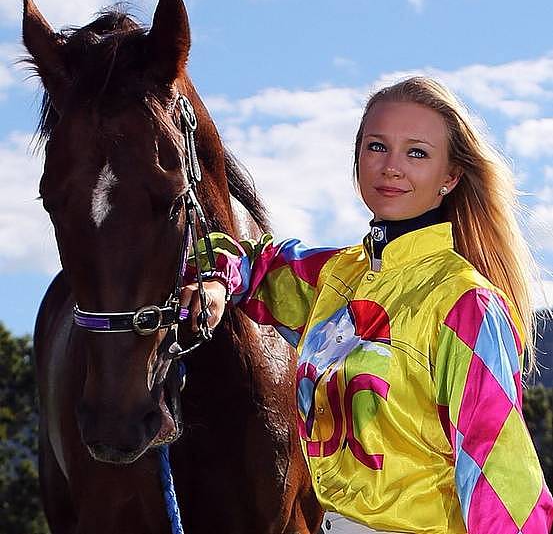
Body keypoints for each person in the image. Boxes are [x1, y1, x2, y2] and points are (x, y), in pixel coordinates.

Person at [181, 77, 553, 533]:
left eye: (417, 152)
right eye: (377, 147)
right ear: (357, 159)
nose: (391, 168)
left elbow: (500, 477)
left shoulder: (467, 304)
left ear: (451, 176)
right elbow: (250, 264)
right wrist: (218, 279)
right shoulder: (336, 276)